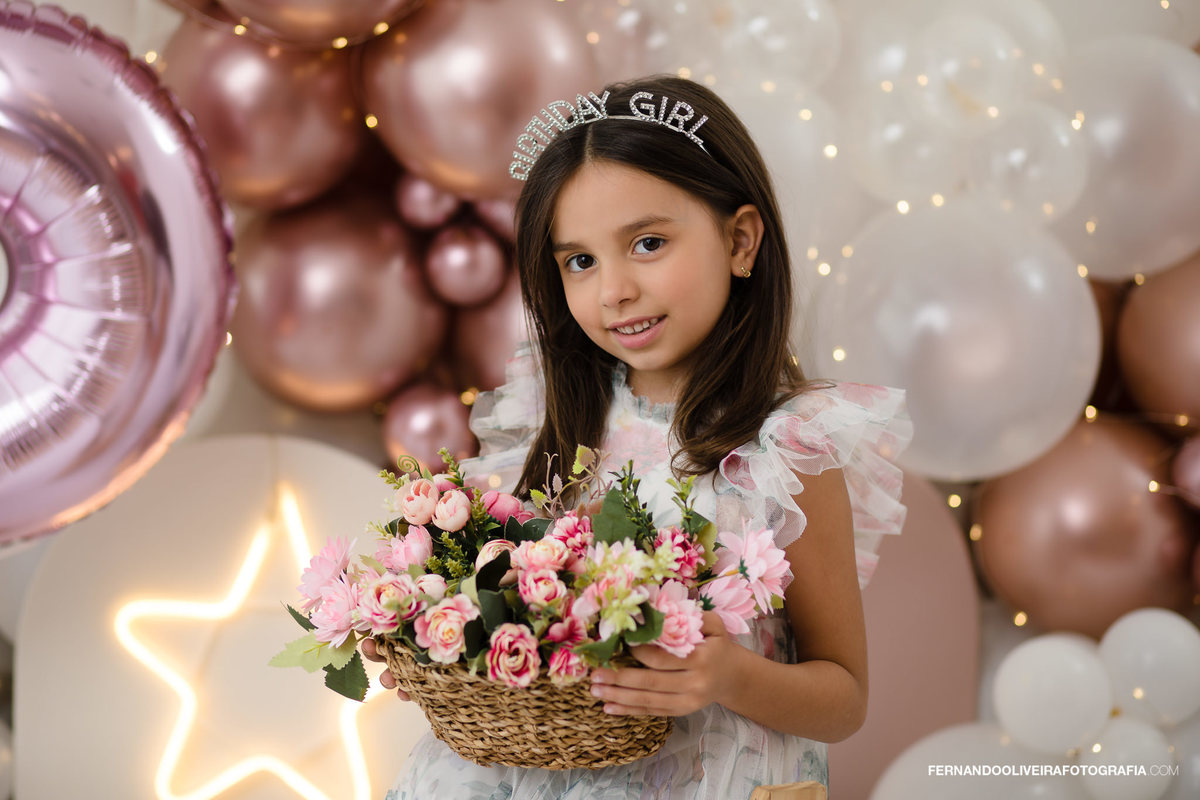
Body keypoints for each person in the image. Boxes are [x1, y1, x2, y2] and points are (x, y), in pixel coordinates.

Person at [362, 74, 912, 799]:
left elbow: (844, 698)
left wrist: (727, 674)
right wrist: (459, 645)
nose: (612, 289)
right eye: (579, 261)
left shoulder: (784, 451)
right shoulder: (558, 423)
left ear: (741, 240)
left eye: (647, 243)